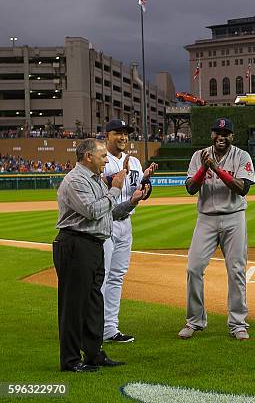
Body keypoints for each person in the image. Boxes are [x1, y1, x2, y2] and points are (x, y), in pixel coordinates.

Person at [54, 139, 149, 372]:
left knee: (94, 303)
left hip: (93, 244)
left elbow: (108, 214)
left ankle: (93, 354)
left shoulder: (95, 180)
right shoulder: (76, 180)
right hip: (75, 244)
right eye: (103, 156)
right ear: (88, 157)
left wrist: (131, 202)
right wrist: (116, 188)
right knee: (74, 305)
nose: (107, 160)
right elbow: (92, 211)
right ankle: (70, 360)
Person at [178, 118, 255, 340]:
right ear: (211, 134)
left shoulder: (242, 156)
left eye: (226, 132)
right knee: (193, 268)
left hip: (234, 218)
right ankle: (194, 321)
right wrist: (204, 167)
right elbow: (191, 188)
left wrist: (216, 169)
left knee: (236, 271)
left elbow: (242, 188)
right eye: (217, 132)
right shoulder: (198, 156)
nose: (221, 136)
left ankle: (238, 323)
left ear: (232, 136)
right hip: (206, 219)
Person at [101, 119, 158, 343]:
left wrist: (146, 184)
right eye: (118, 133)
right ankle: (94, 327)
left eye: (126, 133)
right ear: (107, 135)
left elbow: (138, 191)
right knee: (102, 278)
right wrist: (113, 178)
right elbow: (94, 187)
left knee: (116, 277)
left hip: (126, 223)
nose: (123, 137)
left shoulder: (134, 161)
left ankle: (110, 329)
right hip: (105, 223)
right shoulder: (101, 159)